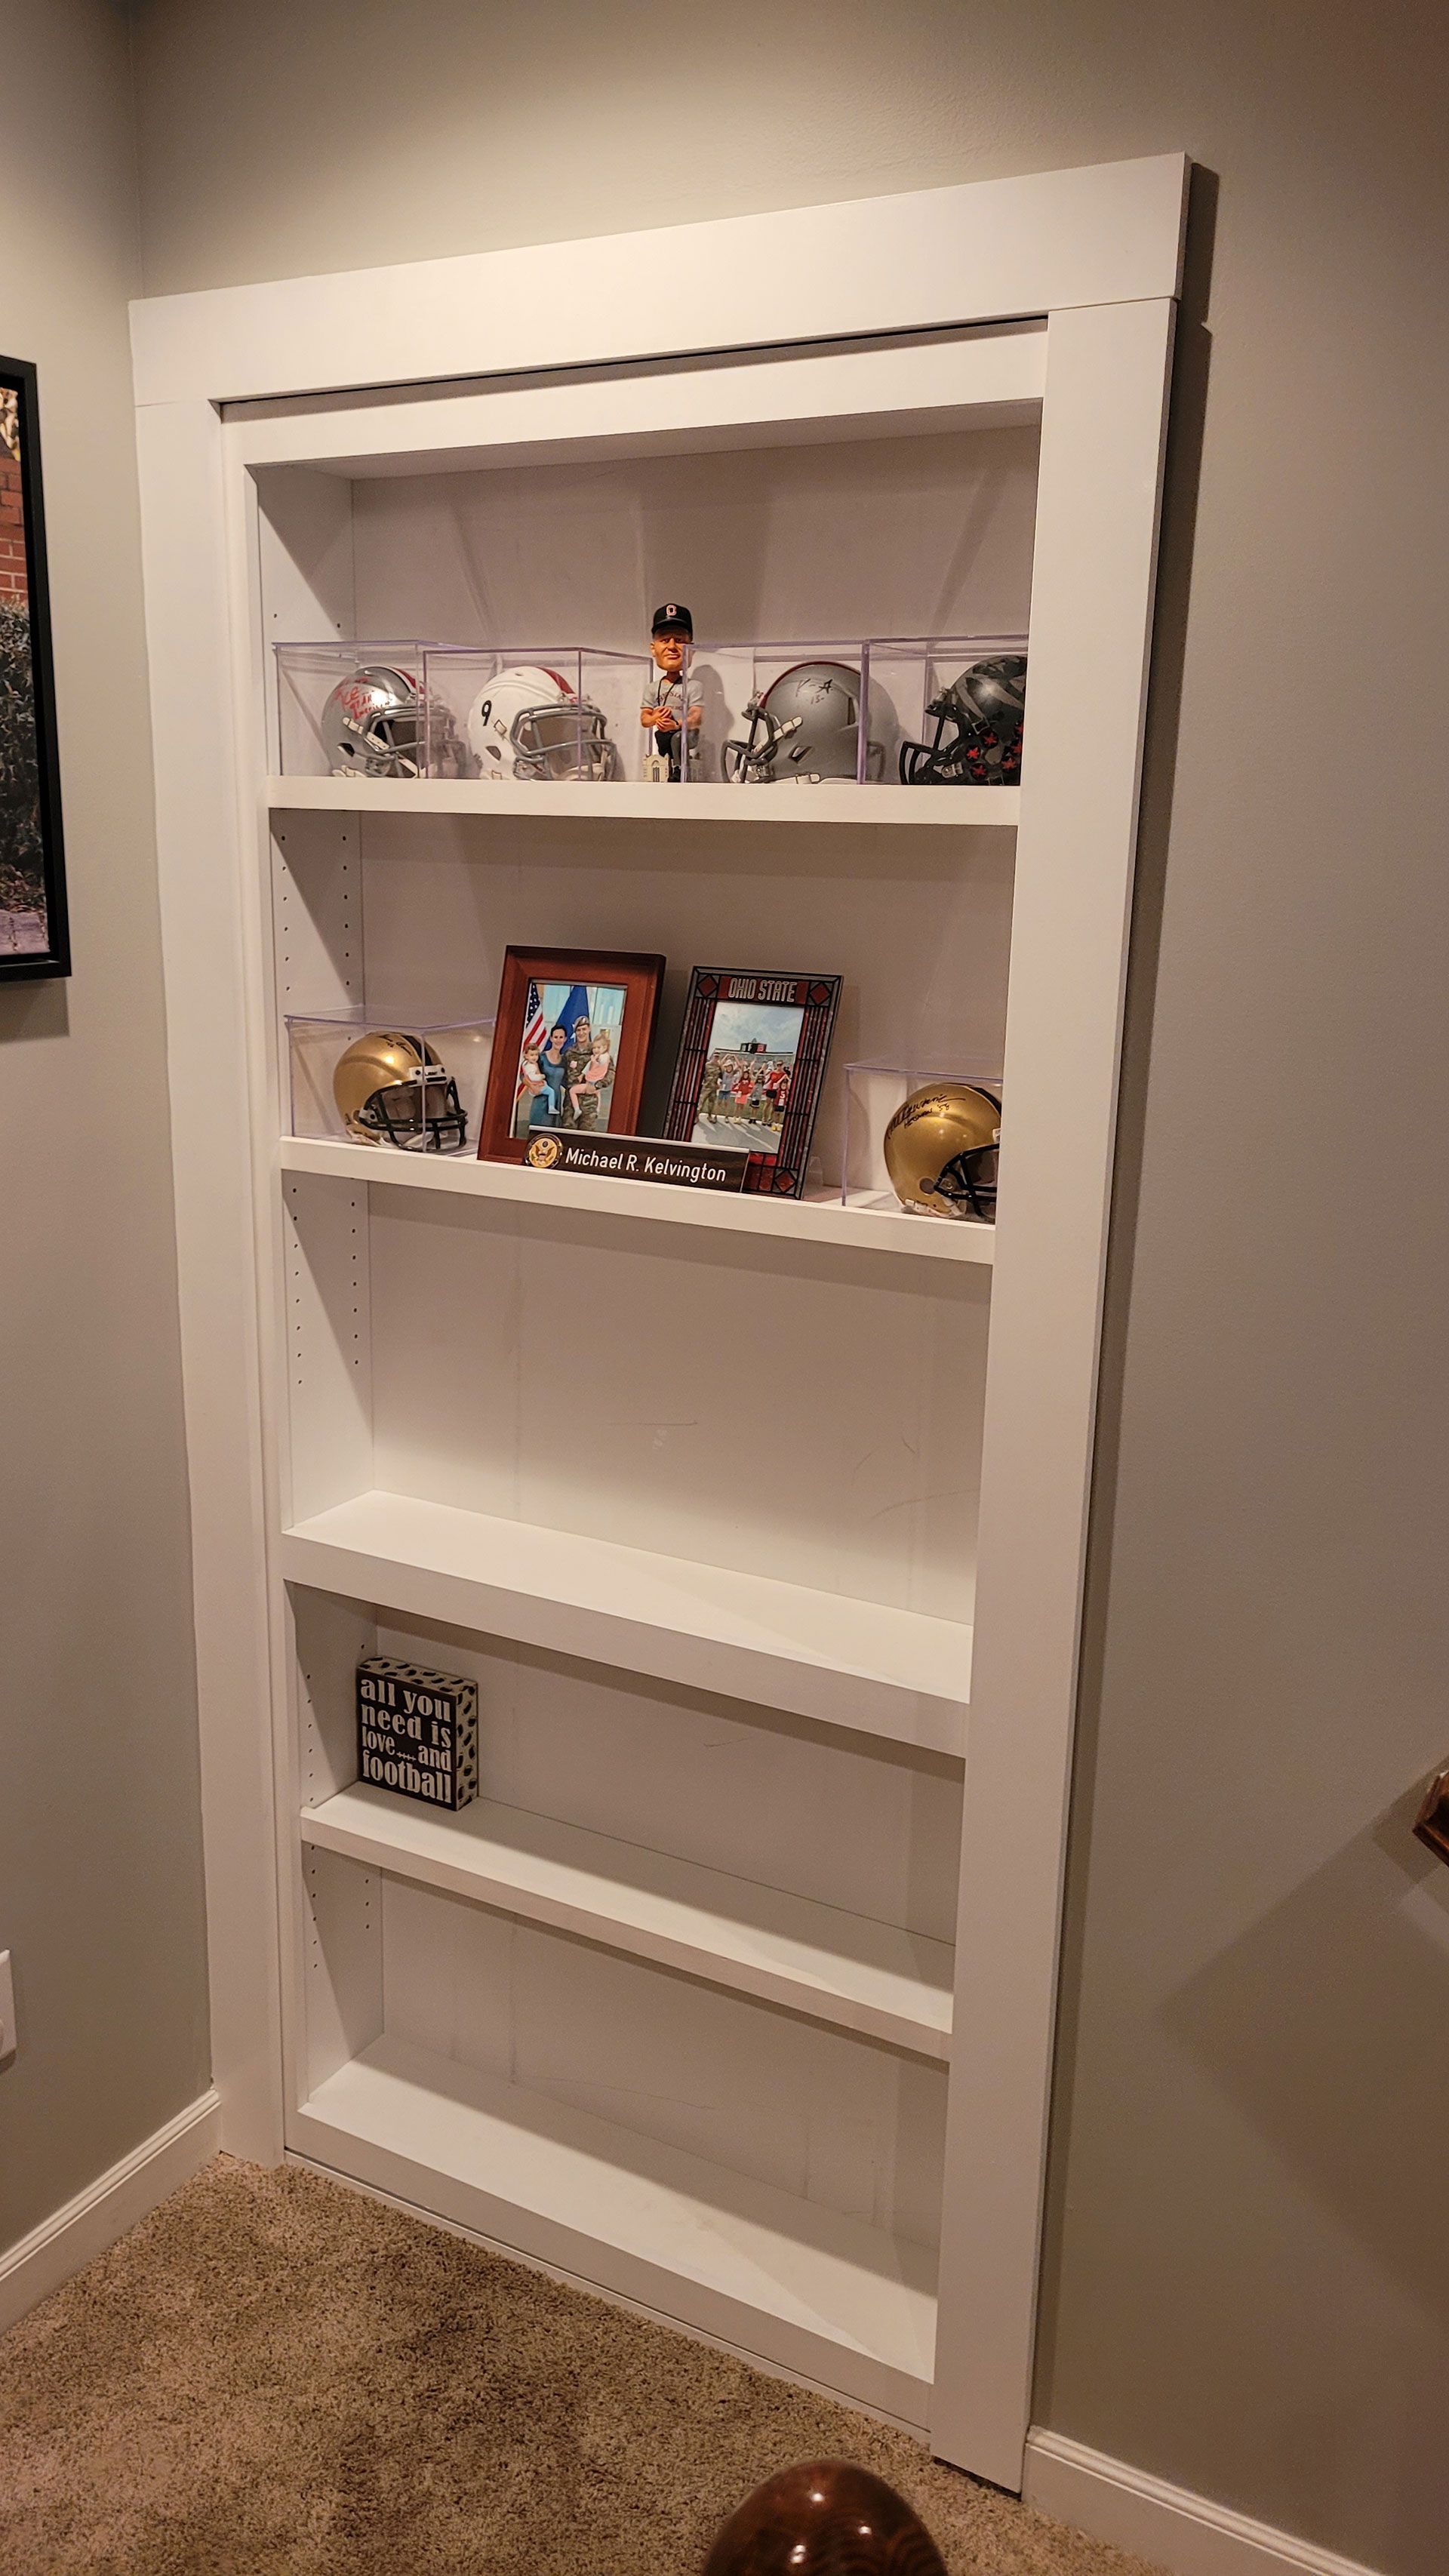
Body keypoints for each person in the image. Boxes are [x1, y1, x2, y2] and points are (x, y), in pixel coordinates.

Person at [640, 602, 703, 780]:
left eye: (679, 640)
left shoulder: (693, 686)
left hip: (686, 734)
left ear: (691, 648)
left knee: (677, 739)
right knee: (663, 748)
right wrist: (656, 717)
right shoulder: (652, 688)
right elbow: (645, 719)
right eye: (665, 640)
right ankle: (668, 770)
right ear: (654, 648)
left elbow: (697, 718)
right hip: (663, 733)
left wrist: (676, 725)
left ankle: (679, 770)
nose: (672, 646)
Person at [568, 1024, 613, 1125]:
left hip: (590, 1104)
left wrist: (597, 1086)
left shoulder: (603, 1056)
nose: (581, 1032)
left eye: (584, 1029)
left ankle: (597, 1109)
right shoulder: (569, 1052)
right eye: (578, 1030)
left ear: (589, 1030)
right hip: (570, 1106)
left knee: (586, 1135)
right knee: (568, 1133)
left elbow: (610, 1074)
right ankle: (577, 1109)